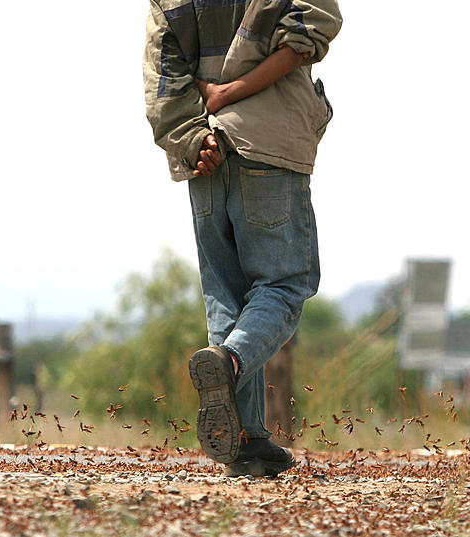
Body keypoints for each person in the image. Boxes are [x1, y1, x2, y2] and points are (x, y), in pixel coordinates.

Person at [143, 0, 342, 477]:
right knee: (284, 283)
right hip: (269, 143)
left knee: (225, 295)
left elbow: (163, 80)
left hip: (204, 156)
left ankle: (245, 439)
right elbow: (311, 28)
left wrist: (194, 140)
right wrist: (233, 90)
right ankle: (231, 360)